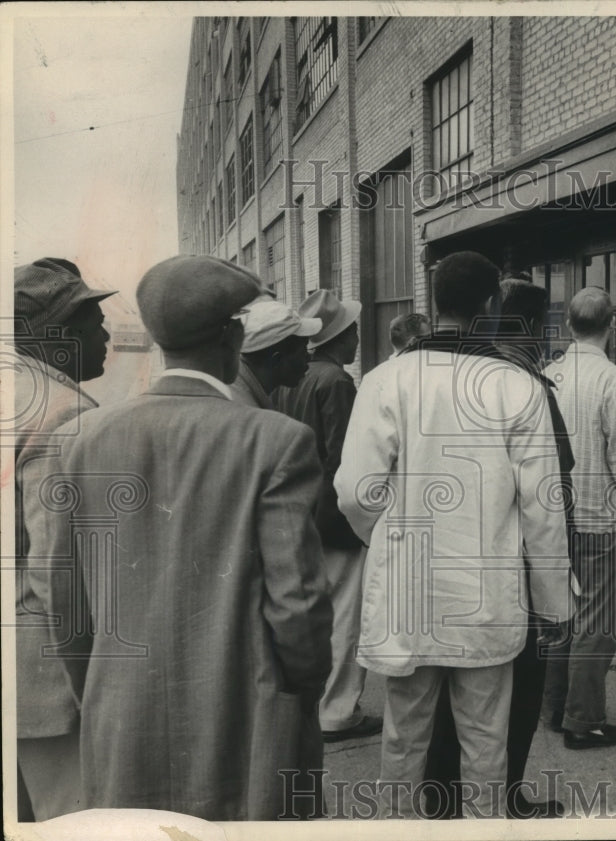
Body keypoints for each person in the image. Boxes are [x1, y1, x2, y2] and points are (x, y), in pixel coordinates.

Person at [23, 255, 333, 819]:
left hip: (123, 720)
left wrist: (98, 688)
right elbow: (298, 604)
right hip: (246, 717)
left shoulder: (77, 438)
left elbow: (59, 597)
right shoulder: (278, 440)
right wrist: (302, 692)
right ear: (233, 336)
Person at [334, 251, 575, 818]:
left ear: (433, 302)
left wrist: (389, 537)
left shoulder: (384, 380)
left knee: (402, 737)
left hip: (410, 591)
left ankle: (397, 832)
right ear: (492, 305)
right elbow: (543, 507)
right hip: (485, 596)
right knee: (486, 740)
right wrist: (555, 603)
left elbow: (354, 491)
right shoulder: (518, 386)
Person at [422, 275, 573, 820]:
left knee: (443, 690)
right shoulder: (524, 385)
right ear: (531, 328)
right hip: (511, 572)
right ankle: (503, 799)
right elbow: (552, 495)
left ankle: (440, 799)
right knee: (515, 695)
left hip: (438, 563)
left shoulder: (436, 376)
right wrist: (557, 588)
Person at [14, 257, 115, 821]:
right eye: (90, 320)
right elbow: (60, 575)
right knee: (73, 821)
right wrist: (93, 687)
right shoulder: (62, 415)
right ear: (53, 337)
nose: (104, 334)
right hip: (47, 679)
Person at [275, 290, 383, 744]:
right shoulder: (337, 382)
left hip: (296, 511)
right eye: (353, 330)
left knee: (313, 614)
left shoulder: (289, 376)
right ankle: (337, 710)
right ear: (338, 338)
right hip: (334, 518)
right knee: (344, 615)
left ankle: (315, 703)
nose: (358, 337)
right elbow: (344, 458)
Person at [543, 287, 616, 750]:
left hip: (554, 518)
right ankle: (583, 721)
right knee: (597, 623)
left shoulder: (548, 375)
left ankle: (555, 707)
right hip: (598, 518)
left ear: (569, 325)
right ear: (610, 325)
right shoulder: (613, 380)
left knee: (562, 616)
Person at [230, 297, 321, 408]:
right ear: (276, 360)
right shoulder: (248, 409)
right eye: (303, 350)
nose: (309, 357)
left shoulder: (237, 388)